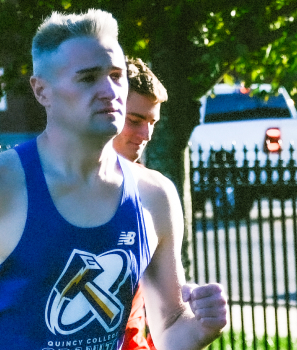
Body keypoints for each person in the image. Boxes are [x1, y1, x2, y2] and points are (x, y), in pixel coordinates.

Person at [0, 9, 228, 350]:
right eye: (87, 78)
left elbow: (169, 329)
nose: (109, 91)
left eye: (116, 75)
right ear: (41, 91)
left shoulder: (155, 195)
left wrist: (198, 328)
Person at [115, 57, 168, 350]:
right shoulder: (46, 189)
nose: (145, 135)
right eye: (134, 121)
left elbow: (166, 314)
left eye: (152, 123)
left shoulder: (152, 191)